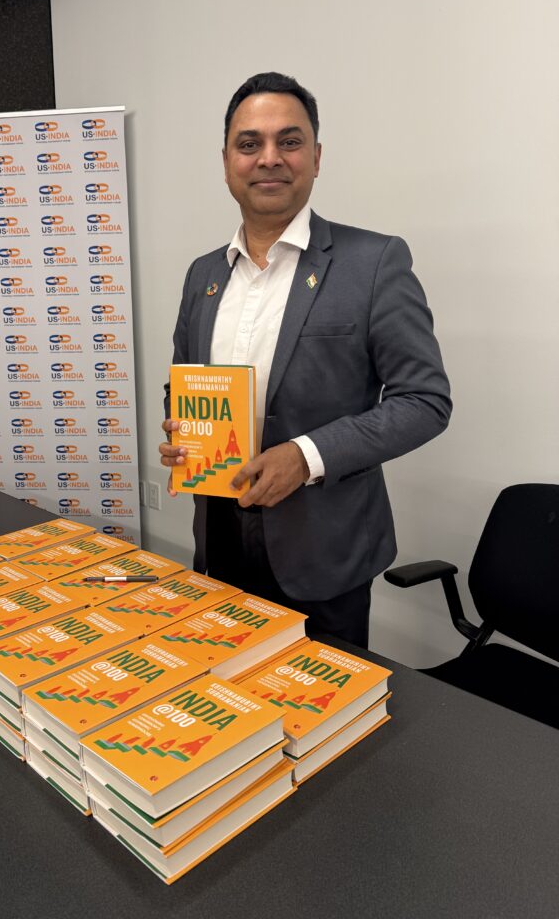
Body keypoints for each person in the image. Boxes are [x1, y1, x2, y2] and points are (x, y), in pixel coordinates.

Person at [159, 72, 451, 648]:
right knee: (234, 709)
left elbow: (425, 401)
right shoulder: (203, 275)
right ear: (226, 162)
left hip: (324, 554)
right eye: (250, 144)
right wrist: (182, 430)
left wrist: (305, 455)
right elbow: (182, 384)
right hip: (220, 542)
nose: (269, 158)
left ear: (316, 157)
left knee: (329, 728)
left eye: (289, 142)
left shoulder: (373, 262)